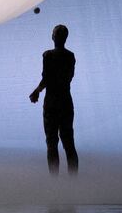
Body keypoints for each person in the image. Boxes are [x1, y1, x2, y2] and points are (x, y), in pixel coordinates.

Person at [29, 24, 78, 175]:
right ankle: (74, 180)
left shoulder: (48, 55)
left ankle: (54, 181)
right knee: (68, 142)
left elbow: (47, 78)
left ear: (53, 37)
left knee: (51, 142)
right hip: (66, 102)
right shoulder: (70, 56)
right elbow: (68, 77)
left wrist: (37, 91)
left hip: (51, 103)